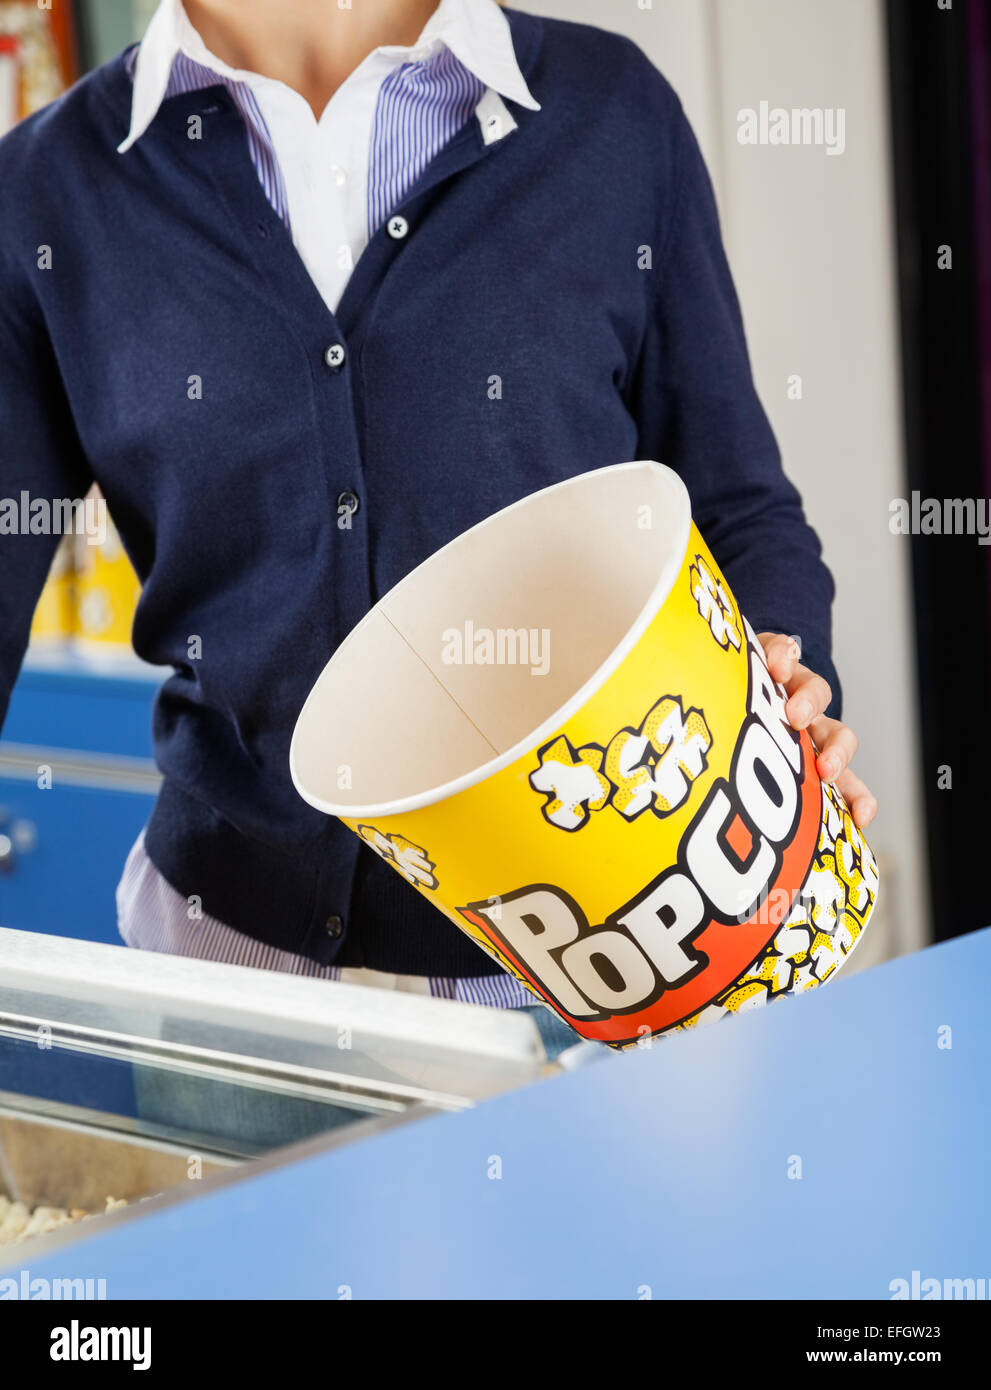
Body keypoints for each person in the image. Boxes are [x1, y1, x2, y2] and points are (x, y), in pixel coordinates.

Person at [0, 0, 876, 1076]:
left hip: (605, 982)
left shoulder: (609, 113)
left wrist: (788, 686)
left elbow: (738, 507)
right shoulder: (49, 191)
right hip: (229, 999)